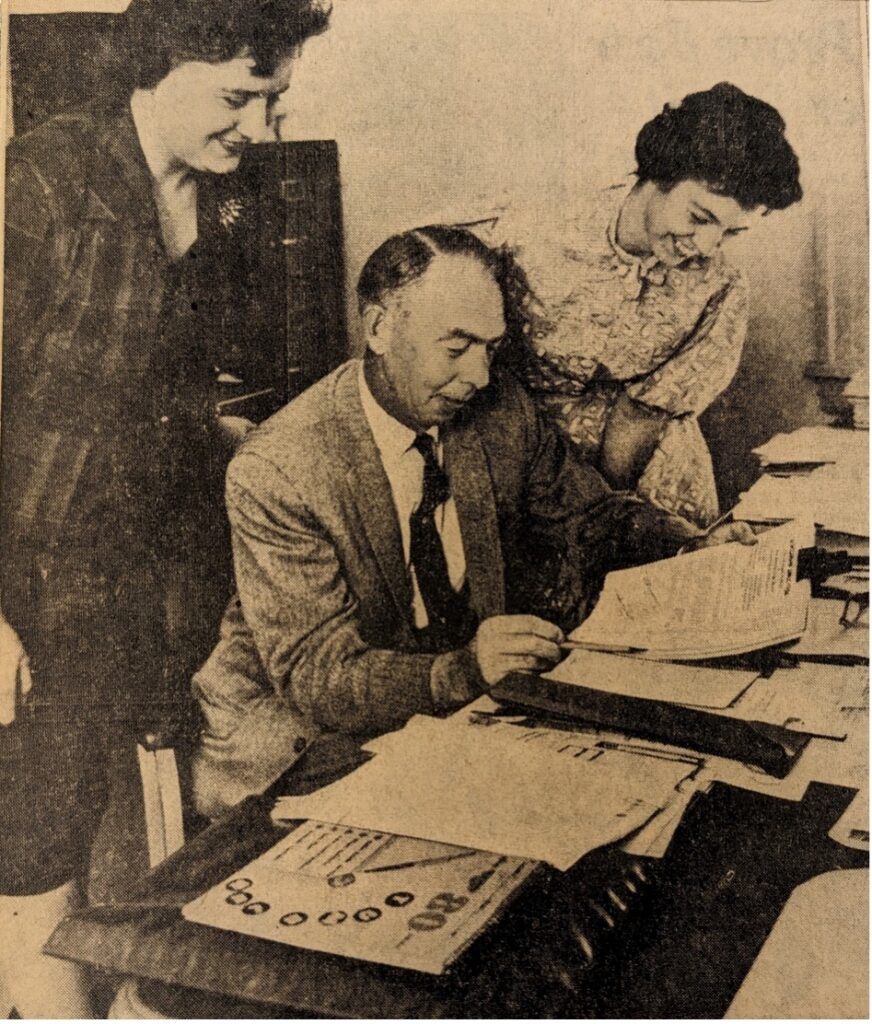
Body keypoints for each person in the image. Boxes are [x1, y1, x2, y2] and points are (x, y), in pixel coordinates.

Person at [0, 0, 330, 1015]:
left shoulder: (206, 199)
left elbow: (167, 398)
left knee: (92, 807)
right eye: (240, 98)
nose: (258, 128)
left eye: (271, 104)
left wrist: (263, 457)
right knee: (35, 829)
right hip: (27, 576)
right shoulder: (42, 179)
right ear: (160, 65)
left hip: (122, 574)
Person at [191, 225, 753, 818]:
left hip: (440, 708)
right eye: (456, 348)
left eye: (490, 347)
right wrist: (462, 671)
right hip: (294, 738)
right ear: (379, 328)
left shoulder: (496, 405)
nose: (480, 376)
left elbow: (590, 515)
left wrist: (691, 547)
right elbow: (319, 675)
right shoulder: (280, 468)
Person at [483, 82, 802, 527]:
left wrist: (605, 519)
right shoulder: (530, 233)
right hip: (522, 453)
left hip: (644, 463)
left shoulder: (722, 288)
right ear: (660, 172)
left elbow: (641, 417)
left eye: (731, 233)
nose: (708, 247)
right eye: (699, 218)